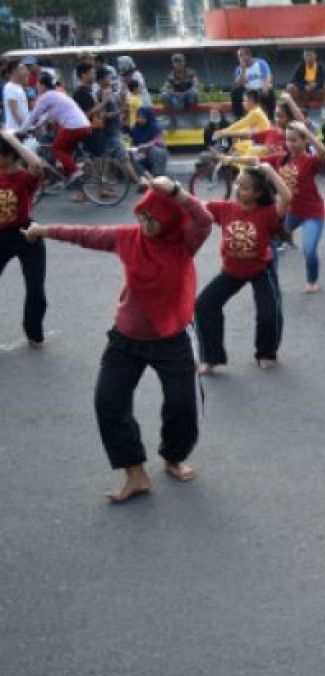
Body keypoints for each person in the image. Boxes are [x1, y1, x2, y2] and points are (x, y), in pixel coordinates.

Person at [21, 178, 213, 502]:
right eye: (142, 215)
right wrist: (42, 230)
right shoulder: (127, 238)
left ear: (171, 220)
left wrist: (176, 192)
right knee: (108, 402)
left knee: (183, 407)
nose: (145, 223)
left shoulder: (185, 241)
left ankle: (172, 457)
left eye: (154, 218)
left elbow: (205, 219)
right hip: (126, 337)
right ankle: (135, 474)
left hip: (172, 336)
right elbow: (84, 234)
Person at [195, 162, 293, 374]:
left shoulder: (267, 212)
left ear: (258, 193)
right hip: (232, 271)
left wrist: (269, 171)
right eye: (238, 184)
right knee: (204, 305)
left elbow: (286, 197)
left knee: (269, 314)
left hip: (261, 269)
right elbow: (195, 205)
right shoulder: (225, 208)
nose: (238, 190)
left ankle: (266, 353)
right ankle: (211, 357)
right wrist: (170, 193)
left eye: (245, 187)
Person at [260, 122, 325, 293]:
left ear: (305, 141)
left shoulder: (310, 161)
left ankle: (312, 282)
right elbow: (255, 161)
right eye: (287, 140)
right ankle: (268, 279)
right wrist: (229, 159)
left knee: (309, 250)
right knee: (271, 243)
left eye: (294, 140)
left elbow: (322, 152)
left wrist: (308, 132)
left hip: (313, 213)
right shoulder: (281, 158)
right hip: (292, 213)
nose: (290, 144)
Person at [0, 128, 47, 347]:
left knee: (35, 290)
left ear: (9, 156)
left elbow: (37, 165)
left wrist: (11, 139)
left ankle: (34, 334)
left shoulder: (23, 178)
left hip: (26, 233)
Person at [19, 71, 90, 184]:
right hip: (83, 125)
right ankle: (71, 179)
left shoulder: (46, 97)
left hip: (73, 126)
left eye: (38, 84)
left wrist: (21, 130)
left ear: (42, 85)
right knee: (66, 153)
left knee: (56, 149)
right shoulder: (57, 94)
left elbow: (34, 115)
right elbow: (46, 117)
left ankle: (76, 171)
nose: (37, 86)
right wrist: (35, 127)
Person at [231, 46, 275, 120]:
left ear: (249, 55)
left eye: (242, 55)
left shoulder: (261, 63)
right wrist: (243, 70)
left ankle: (270, 118)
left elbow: (267, 78)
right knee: (235, 91)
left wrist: (265, 89)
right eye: (239, 56)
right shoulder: (239, 69)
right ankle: (238, 117)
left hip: (261, 89)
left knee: (269, 92)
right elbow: (238, 84)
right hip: (248, 91)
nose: (241, 58)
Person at [287, 49, 325, 115]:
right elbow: (293, 81)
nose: (308, 57)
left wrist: (316, 85)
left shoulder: (321, 67)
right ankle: (299, 109)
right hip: (303, 91)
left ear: (315, 56)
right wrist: (304, 87)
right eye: (306, 55)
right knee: (290, 87)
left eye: (310, 55)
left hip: (317, 91)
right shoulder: (300, 67)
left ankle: (324, 109)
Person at [130, 106, 169, 179]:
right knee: (131, 157)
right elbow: (133, 142)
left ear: (148, 117)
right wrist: (134, 148)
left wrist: (145, 146)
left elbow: (158, 141)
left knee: (158, 151)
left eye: (142, 117)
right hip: (141, 154)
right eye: (138, 117)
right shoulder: (135, 128)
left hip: (152, 153)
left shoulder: (155, 126)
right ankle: (148, 177)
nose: (140, 119)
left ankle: (158, 176)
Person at [3, 59, 30, 131]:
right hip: (16, 131)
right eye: (22, 68)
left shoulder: (19, 86)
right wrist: (24, 127)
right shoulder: (10, 87)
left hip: (21, 129)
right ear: (13, 71)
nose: (25, 71)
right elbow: (14, 112)